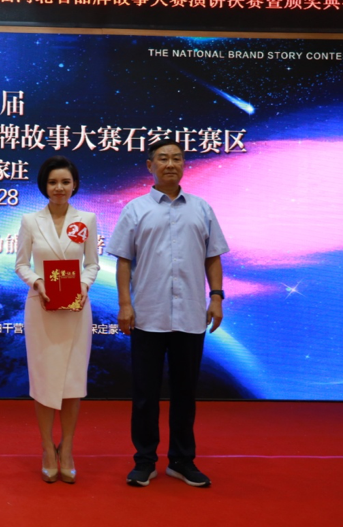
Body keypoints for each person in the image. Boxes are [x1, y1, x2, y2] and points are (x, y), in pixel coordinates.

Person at [107, 138, 229, 488]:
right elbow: (124, 262)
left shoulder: (202, 209)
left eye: (177, 158)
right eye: (163, 158)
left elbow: (213, 257)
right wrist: (125, 305)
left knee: (185, 394)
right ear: (150, 165)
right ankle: (145, 461)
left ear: (184, 164)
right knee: (145, 394)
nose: (170, 164)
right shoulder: (135, 210)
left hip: (190, 315)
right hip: (148, 314)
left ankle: (181, 461)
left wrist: (217, 297)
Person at [15, 156, 100, 483]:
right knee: (44, 380)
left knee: (72, 382)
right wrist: (37, 282)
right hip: (42, 307)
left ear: (74, 185)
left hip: (76, 308)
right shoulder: (30, 221)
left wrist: (82, 285)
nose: (59, 188)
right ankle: (47, 448)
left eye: (65, 182)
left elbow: (92, 264)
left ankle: (67, 449)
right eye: (53, 183)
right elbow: (21, 264)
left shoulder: (87, 219)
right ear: (44, 186)